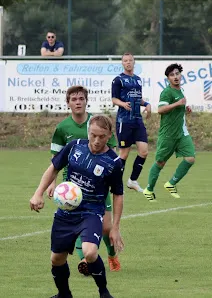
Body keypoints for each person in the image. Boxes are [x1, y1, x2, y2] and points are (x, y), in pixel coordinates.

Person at [30, 115, 124, 298]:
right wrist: (37, 193)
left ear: (109, 135)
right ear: (88, 131)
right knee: (56, 259)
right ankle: (64, 294)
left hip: (92, 212)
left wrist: (115, 227)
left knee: (90, 252)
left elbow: (118, 194)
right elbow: (54, 167)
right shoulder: (75, 147)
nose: (96, 141)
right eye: (93, 135)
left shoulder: (113, 162)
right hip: (66, 211)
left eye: (102, 137)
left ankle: (104, 292)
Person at [47, 86, 121, 275]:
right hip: (71, 188)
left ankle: (112, 255)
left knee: (105, 227)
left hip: (98, 184)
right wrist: (52, 184)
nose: (78, 102)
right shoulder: (62, 128)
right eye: (74, 99)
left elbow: (111, 153)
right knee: (80, 221)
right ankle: (84, 260)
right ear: (68, 103)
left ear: (86, 101)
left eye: (81, 98)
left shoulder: (97, 123)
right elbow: (56, 159)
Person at [143, 63, 195, 202]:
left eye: (177, 74)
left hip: (181, 133)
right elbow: (160, 110)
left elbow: (177, 109)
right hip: (168, 135)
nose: (175, 77)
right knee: (160, 163)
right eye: (172, 75)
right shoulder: (167, 92)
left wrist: (185, 109)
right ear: (168, 79)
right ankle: (149, 189)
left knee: (190, 158)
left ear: (181, 75)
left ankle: (171, 183)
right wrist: (177, 104)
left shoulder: (180, 90)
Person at [111, 53, 151, 192]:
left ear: (134, 62)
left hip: (137, 120)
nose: (128, 63)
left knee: (144, 151)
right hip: (124, 121)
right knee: (124, 154)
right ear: (122, 63)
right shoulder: (118, 80)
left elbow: (138, 98)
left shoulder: (138, 80)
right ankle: (115, 181)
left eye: (130, 60)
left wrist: (146, 104)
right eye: (125, 61)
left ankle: (132, 180)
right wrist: (122, 104)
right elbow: (114, 99)